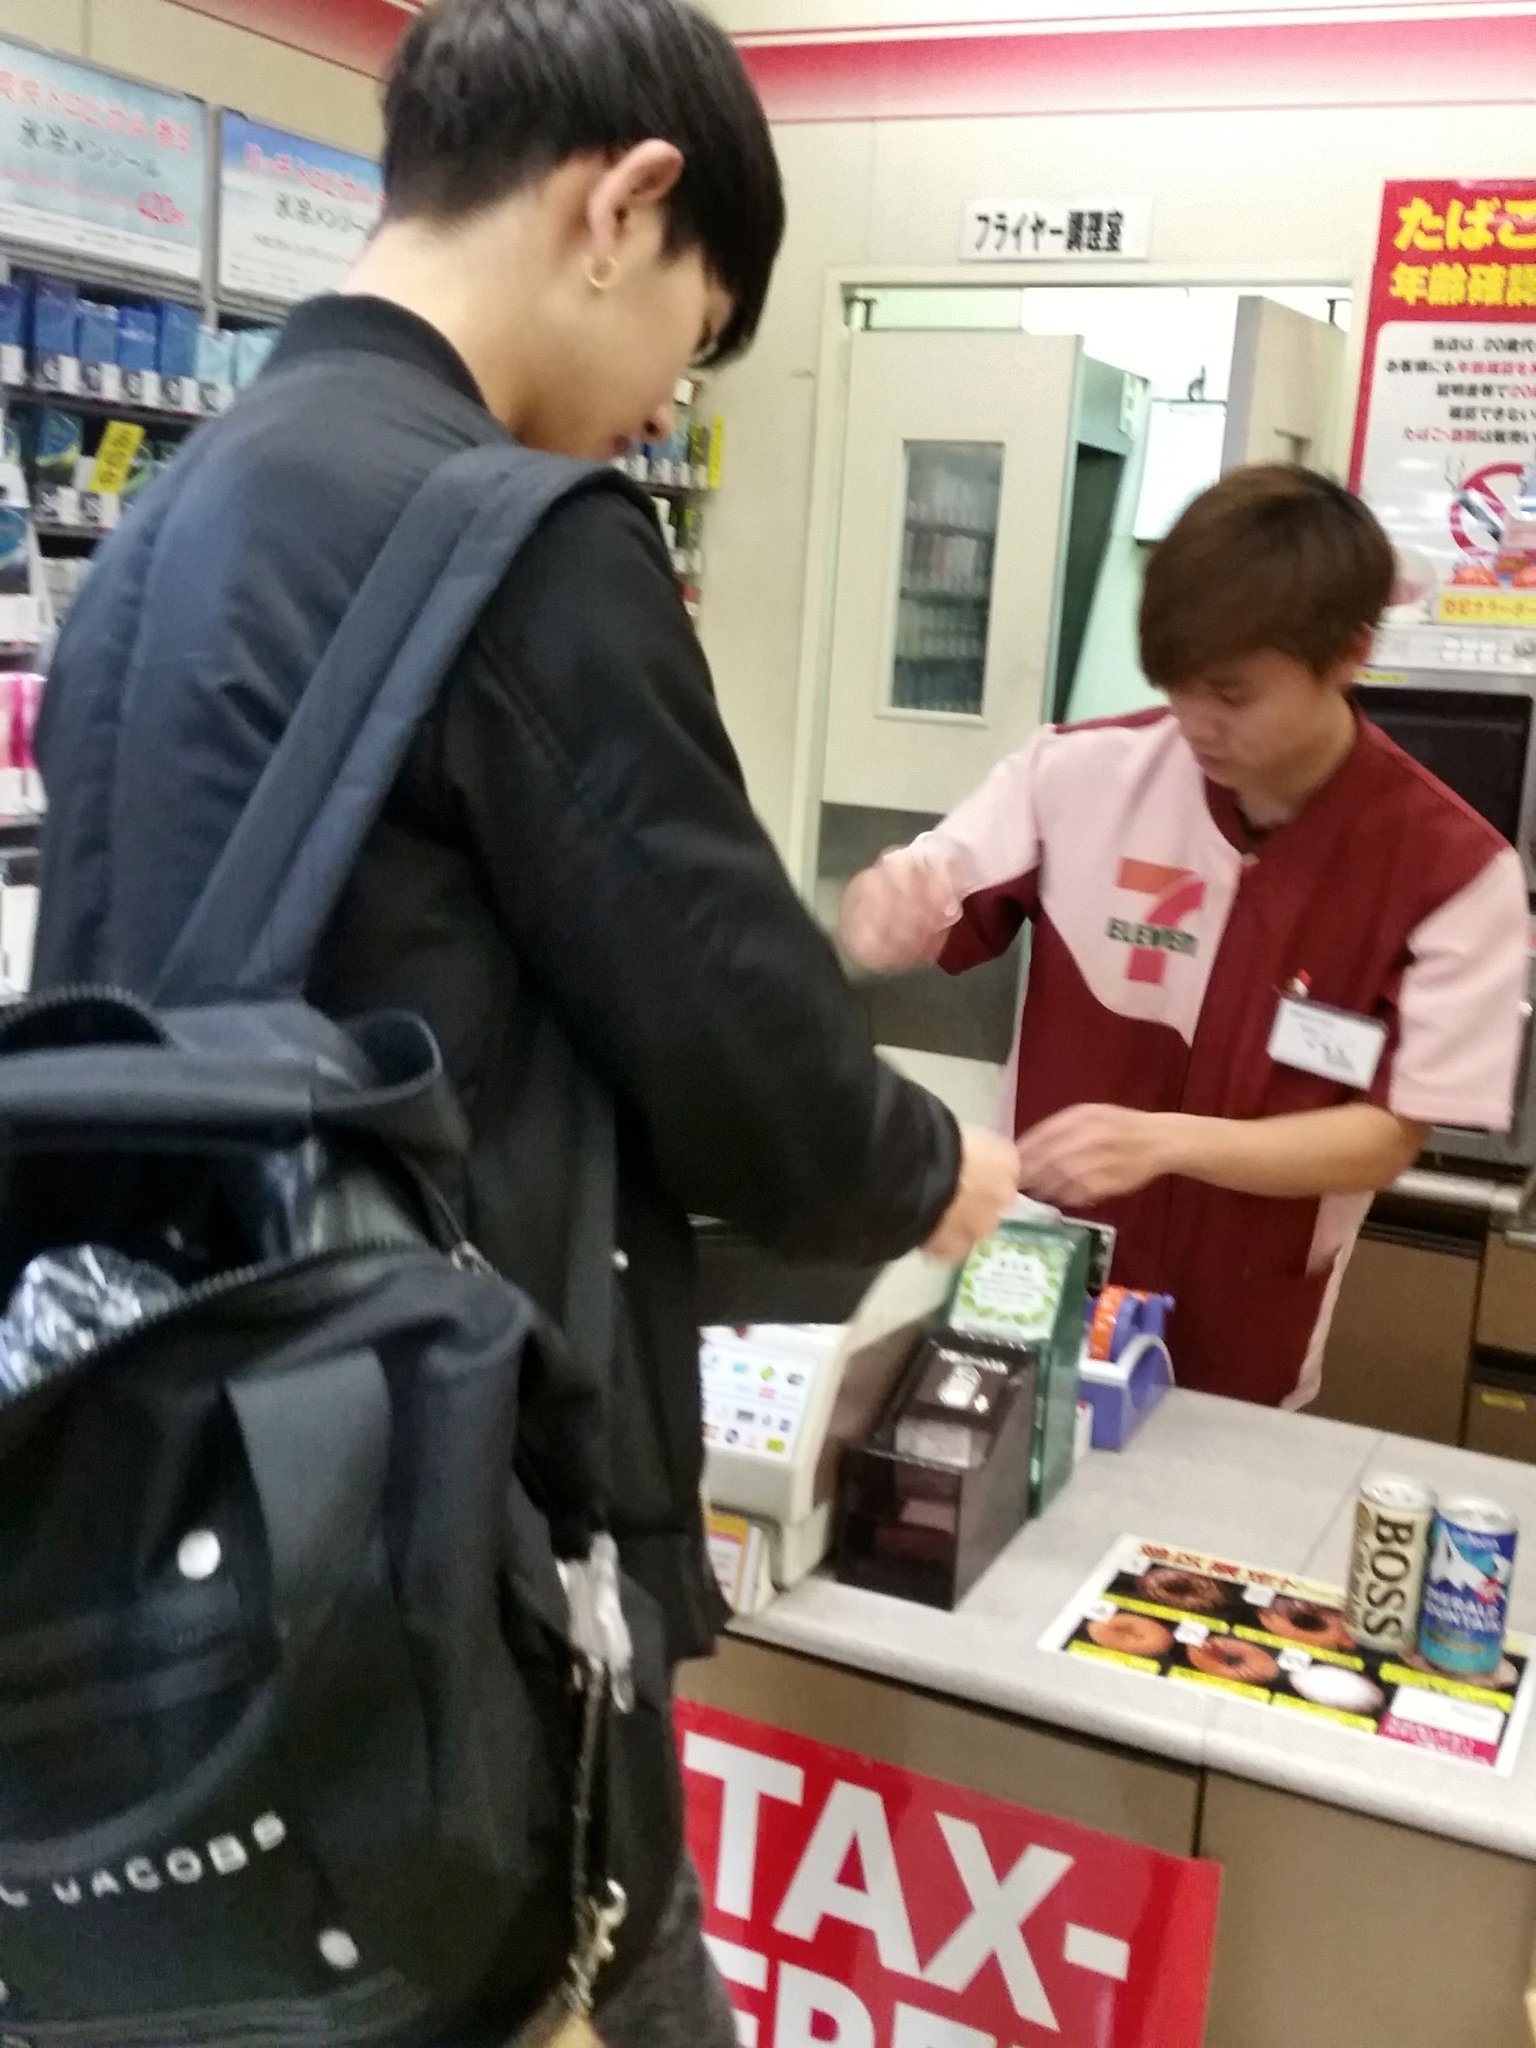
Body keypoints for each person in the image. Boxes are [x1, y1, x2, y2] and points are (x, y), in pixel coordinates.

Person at [30, 0, 1020, 2040]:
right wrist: (930, 1162)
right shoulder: (523, 542)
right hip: (447, 1532)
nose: (660, 404)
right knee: (578, 1965)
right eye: (695, 335)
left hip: (176, 1507)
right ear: (624, 204)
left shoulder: (161, 530)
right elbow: (761, 1070)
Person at [843, 465, 1529, 1411]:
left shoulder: (1455, 870)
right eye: (1174, 685)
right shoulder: (1080, 775)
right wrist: (882, 906)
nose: (1195, 722)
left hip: (1247, 1330)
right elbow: (928, 887)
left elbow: (1385, 1136)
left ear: (1350, 653)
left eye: (1232, 695)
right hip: (1035, 1286)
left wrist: (1166, 1143)